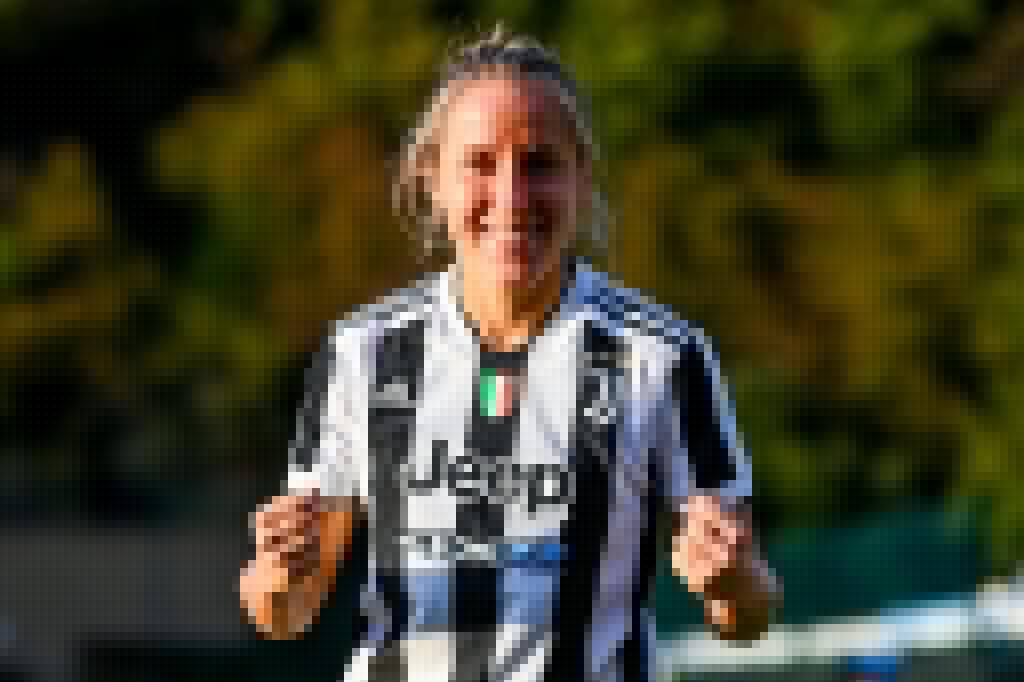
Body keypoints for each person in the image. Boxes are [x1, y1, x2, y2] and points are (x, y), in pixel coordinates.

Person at [239, 25, 781, 682]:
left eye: (540, 162)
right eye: (480, 162)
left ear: (582, 177)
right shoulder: (363, 353)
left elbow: (749, 614)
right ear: (432, 179)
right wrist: (275, 576)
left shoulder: (662, 355)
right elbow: (286, 613)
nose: (512, 196)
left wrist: (731, 580)